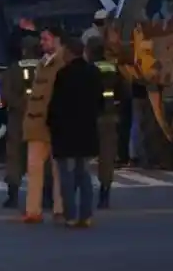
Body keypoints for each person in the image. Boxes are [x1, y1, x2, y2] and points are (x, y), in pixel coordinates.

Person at [48, 35, 104, 228]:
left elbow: (56, 105)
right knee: (84, 174)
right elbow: (100, 103)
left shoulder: (63, 74)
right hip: (87, 129)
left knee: (66, 176)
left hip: (65, 131)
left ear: (69, 52)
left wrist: (51, 125)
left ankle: (70, 215)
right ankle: (86, 215)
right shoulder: (94, 72)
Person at [20, 26, 66, 222]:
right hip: (37, 124)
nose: (42, 43)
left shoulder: (64, 63)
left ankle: (60, 208)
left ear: (57, 40)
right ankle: (33, 211)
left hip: (57, 124)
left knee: (59, 170)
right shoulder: (41, 63)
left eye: (46, 39)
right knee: (34, 168)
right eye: (42, 39)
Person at [0, 31, 41, 209]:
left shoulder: (14, 69)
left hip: (17, 117)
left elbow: (5, 93)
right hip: (39, 117)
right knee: (40, 155)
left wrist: (18, 105)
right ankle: (45, 195)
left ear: (23, 50)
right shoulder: (44, 67)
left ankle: (13, 194)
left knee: (14, 155)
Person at [85, 37, 122, 208]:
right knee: (107, 157)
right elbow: (124, 93)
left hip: (90, 117)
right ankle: (104, 193)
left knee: (82, 156)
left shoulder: (88, 69)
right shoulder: (113, 69)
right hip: (109, 117)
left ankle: (83, 192)